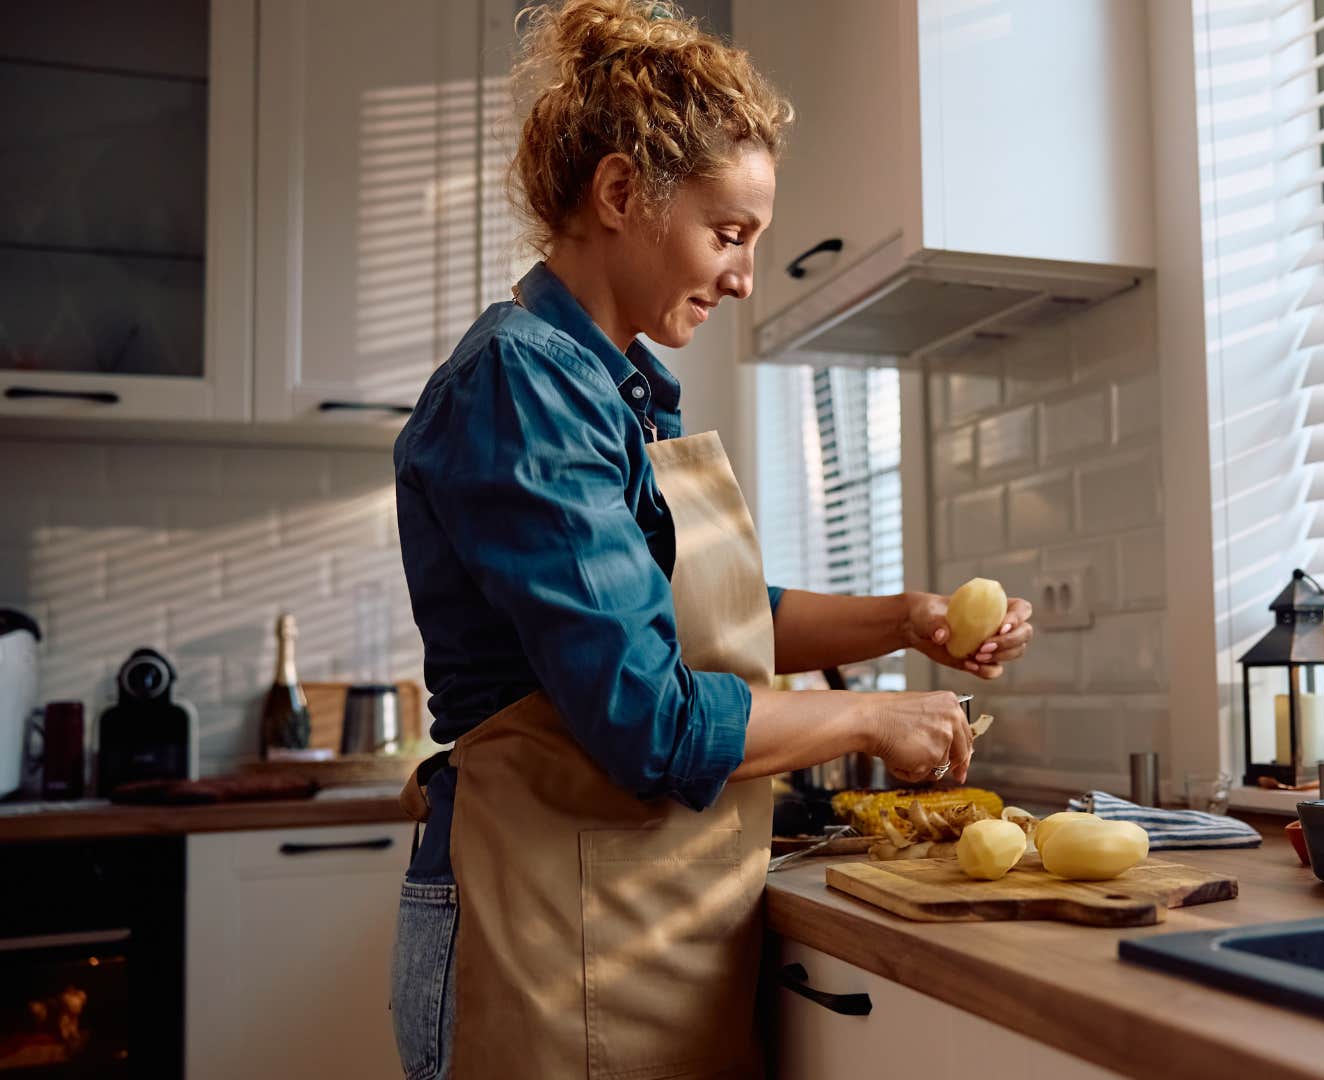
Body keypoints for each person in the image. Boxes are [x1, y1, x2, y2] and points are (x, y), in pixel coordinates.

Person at [385, 3, 1035, 1076]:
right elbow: (650, 719)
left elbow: (720, 621)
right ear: (621, 194)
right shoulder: (522, 384)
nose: (740, 276)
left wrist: (906, 622)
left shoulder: (620, 389)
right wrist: (869, 716)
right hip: (533, 925)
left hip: (622, 916)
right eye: (727, 234)